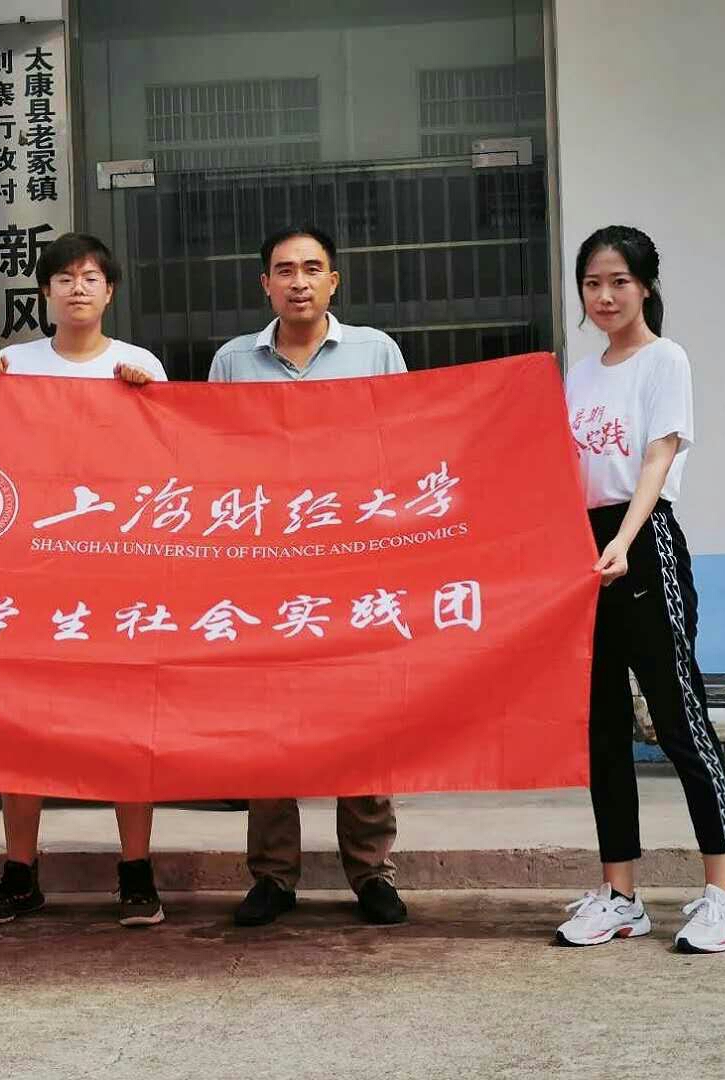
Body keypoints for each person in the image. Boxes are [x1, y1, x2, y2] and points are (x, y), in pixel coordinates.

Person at [0, 232, 169, 928]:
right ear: (44, 292)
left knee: (126, 723)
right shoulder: (14, 365)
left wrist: (150, 401)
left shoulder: (140, 365)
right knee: (21, 724)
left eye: (90, 278)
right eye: (64, 278)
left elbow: (171, 463)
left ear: (110, 292)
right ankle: (19, 873)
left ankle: (136, 873)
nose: (78, 288)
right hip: (32, 573)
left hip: (118, 573)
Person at [556, 225, 725, 953]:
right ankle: (620, 895)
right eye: (592, 283)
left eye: (619, 282)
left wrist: (624, 540)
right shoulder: (580, 373)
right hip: (584, 548)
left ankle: (724, 894)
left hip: (643, 545)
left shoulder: (665, 359)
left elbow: (656, 458)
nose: (604, 296)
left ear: (644, 286)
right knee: (602, 728)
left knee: (678, 719)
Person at [209, 224, 409, 927]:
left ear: (334, 281)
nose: (299, 282)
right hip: (266, 567)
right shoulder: (233, 361)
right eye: (284, 270)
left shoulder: (375, 351)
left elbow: (405, 448)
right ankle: (272, 876)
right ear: (264, 284)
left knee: (364, 716)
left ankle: (372, 872)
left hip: (355, 562)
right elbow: (213, 460)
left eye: (312, 268)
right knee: (269, 720)